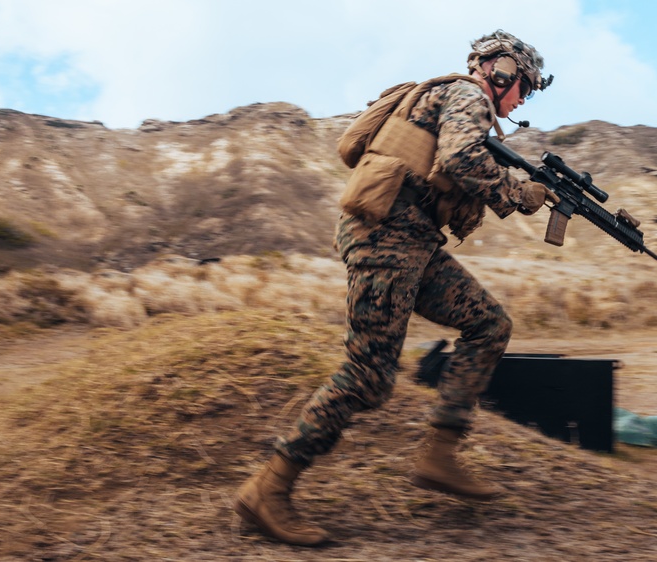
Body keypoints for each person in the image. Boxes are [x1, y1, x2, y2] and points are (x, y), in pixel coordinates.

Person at [233, 30, 557, 546]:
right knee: (369, 375)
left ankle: (440, 454)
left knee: (489, 324)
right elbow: (460, 160)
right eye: (525, 87)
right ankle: (267, 489)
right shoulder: (468, 95)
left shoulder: (449, 95)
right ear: (499, 71)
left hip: (411, 242)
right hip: (388, 238)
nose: (523, 99)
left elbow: (450, 164)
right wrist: (518, 192)